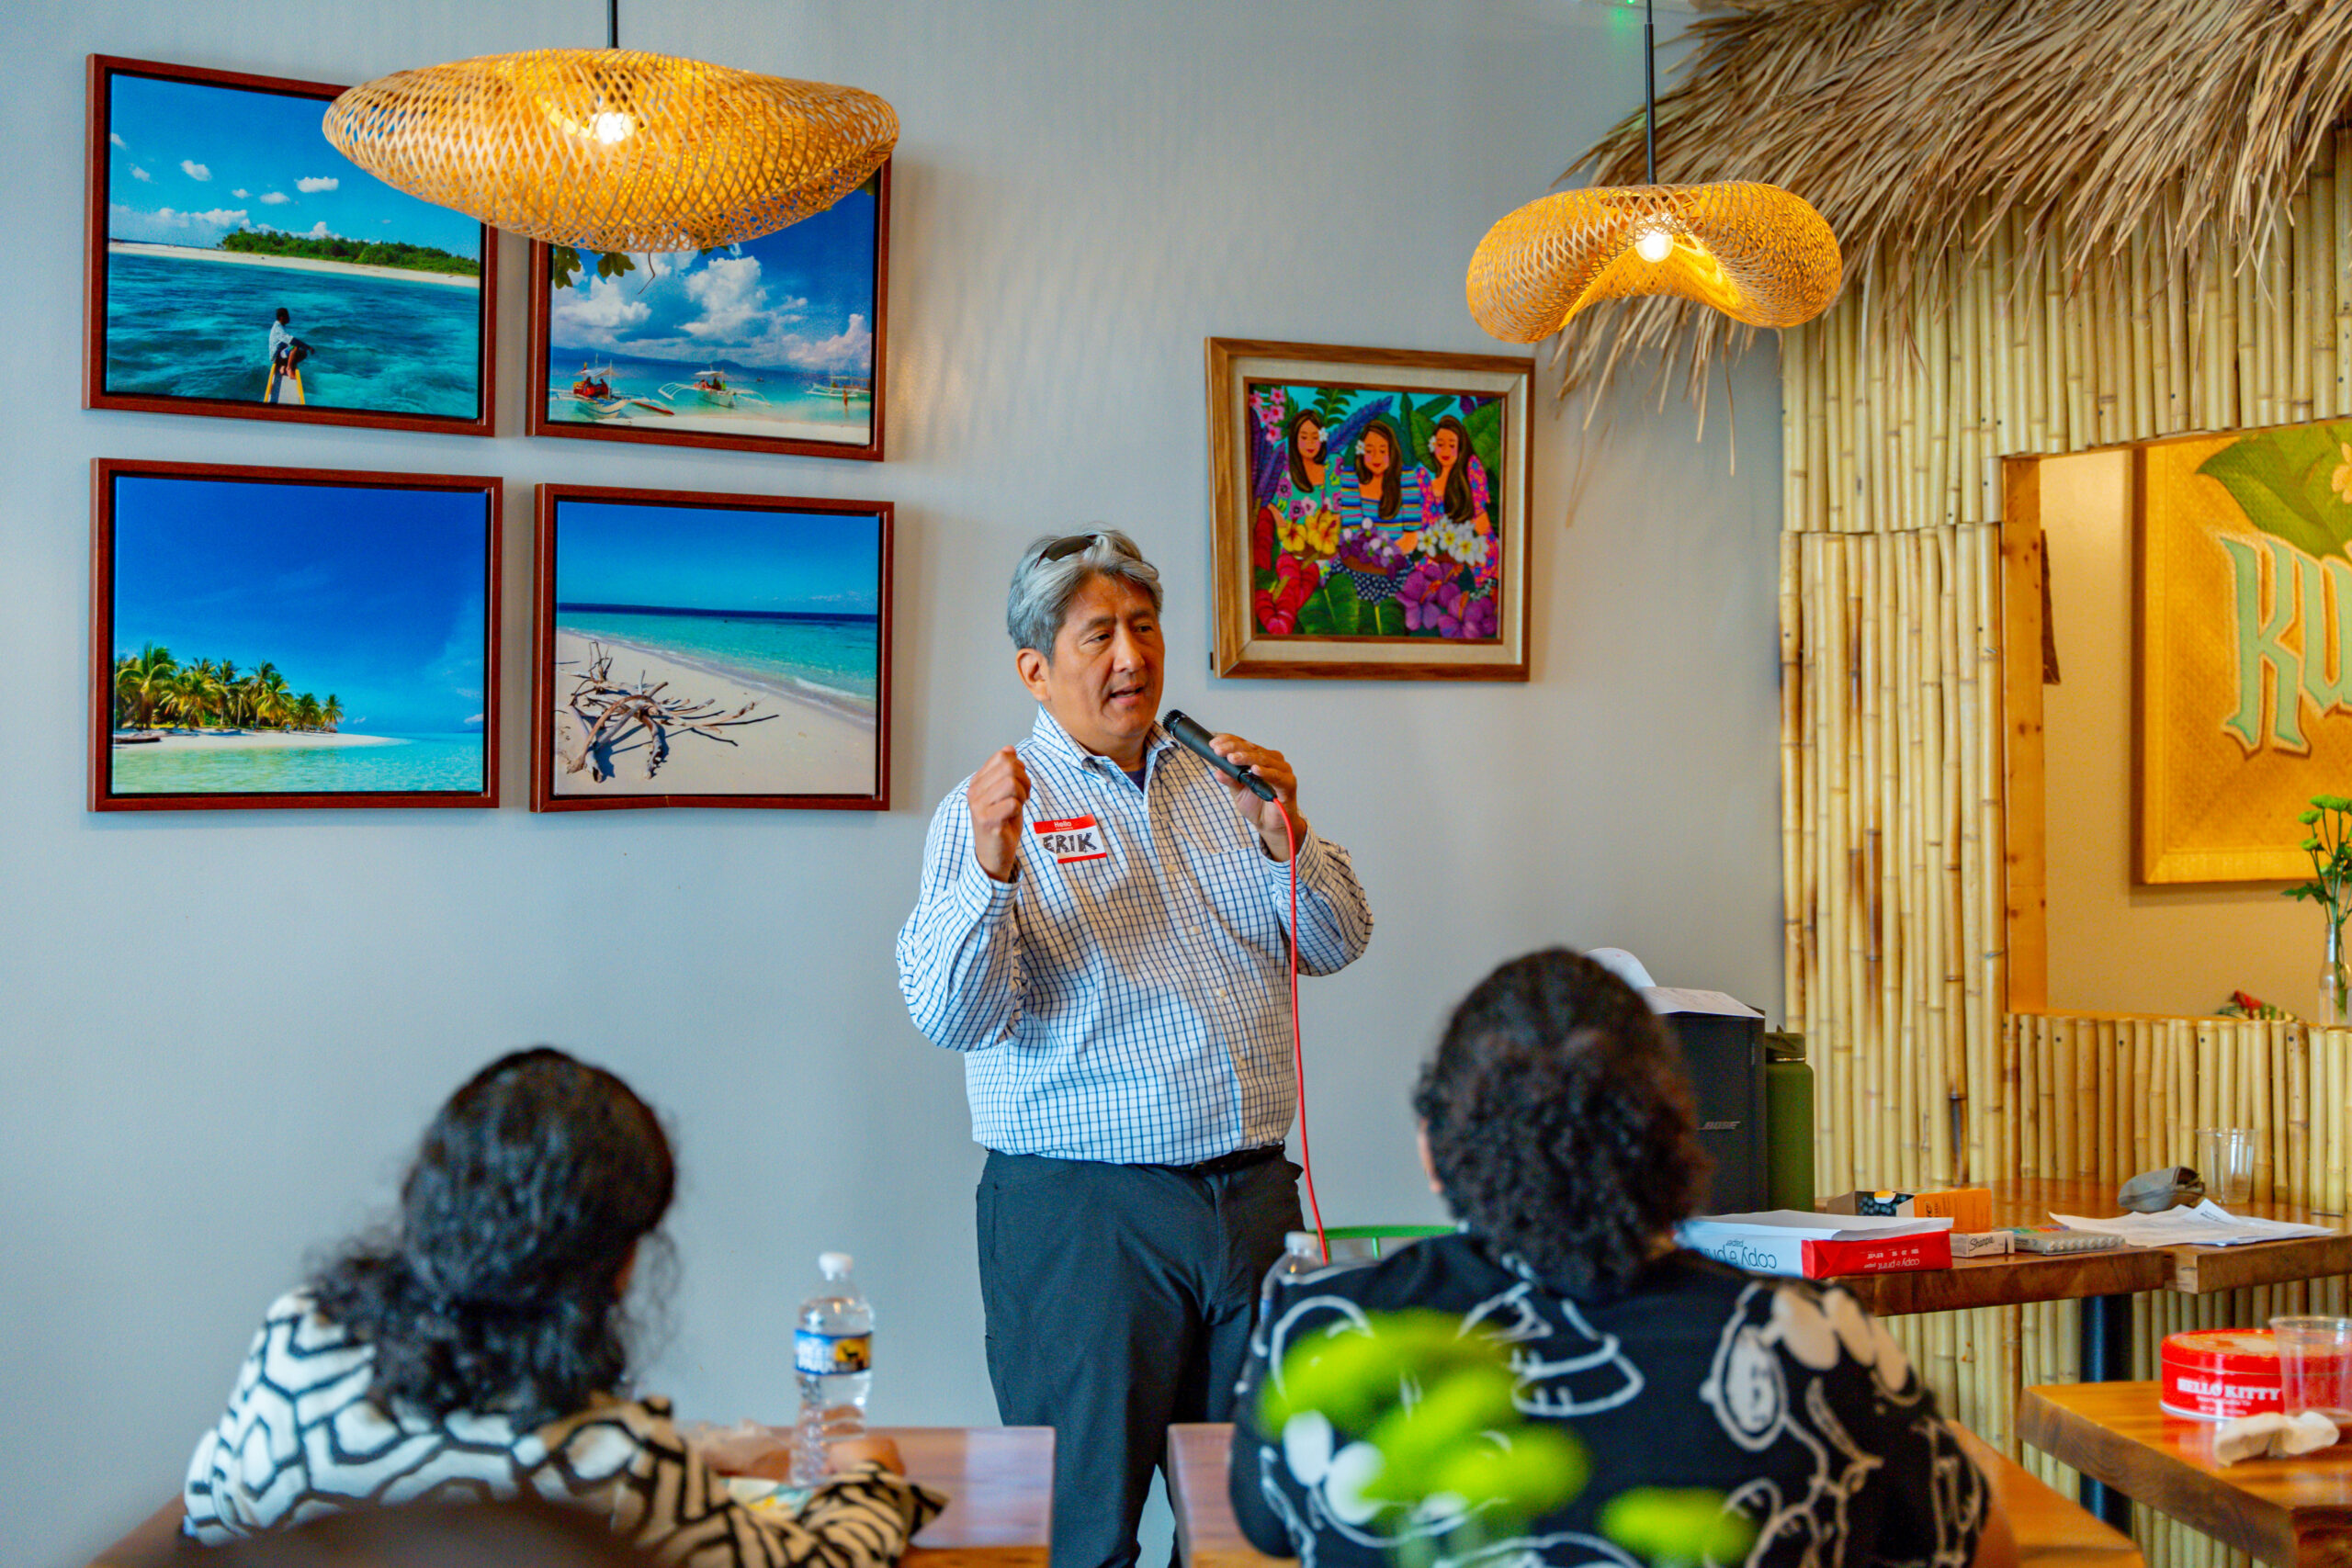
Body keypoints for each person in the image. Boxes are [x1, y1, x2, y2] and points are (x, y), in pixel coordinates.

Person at [896, 530, 1374, 1568]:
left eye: (1144, 628)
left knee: (1263, 1530)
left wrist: (1287, 833)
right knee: (1082, 1534)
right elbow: (951, 1017)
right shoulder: (991, 811)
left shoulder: (1221, 780)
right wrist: (990, 869)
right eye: (1098, 634)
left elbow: (1337, 941)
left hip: (1249, 1203)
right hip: (1085, 1220)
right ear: (1035, 668)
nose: (1131, 657)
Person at [1231, 949, 2021, 1568]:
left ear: (1436, 1152)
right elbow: (1975, 1547)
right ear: (1677, 1139)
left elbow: (1266, 1529)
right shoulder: (1813, 1341)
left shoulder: (1322, 1329)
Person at [182, 1048, 944, 1566]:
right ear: (615, 1264)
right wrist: (869, 1482)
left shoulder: (298, 1337)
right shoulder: (617, 1464)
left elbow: (206, 1520)